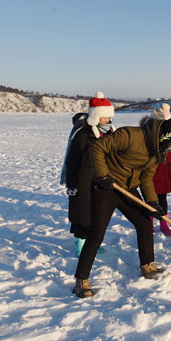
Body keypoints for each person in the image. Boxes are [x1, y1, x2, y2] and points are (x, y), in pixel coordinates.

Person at [72, 116, 171, 298]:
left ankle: (147, 265)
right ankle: (81, 280)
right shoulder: (130, 135)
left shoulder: (158, 151)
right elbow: (97, 147)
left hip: (128, 189)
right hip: (106, 187)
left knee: (144, 223)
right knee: (97, 233)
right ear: (167, 136)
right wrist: (102, 175)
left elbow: (147, 178)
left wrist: (152, 203)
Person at [61, 92, 115, 256]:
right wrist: (71, 185)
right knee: (82, 213)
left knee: (96, 213)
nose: (107, 120)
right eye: (104, 117)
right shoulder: (83, 134)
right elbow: (71, 161)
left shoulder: (110, 132)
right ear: (96, 116)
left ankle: (92, 243)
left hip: (100, 179)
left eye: (108, 117)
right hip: (82, 180)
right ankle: (81, 244)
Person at [150, 103, 171, 236]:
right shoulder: (150, 133)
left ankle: (164, 223)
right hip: (151, 172)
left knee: (162, 199)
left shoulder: (169, 134)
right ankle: (150, 222)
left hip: (164, 172)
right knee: (151, 199)